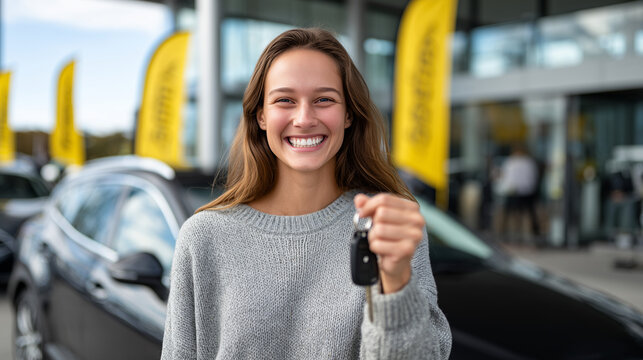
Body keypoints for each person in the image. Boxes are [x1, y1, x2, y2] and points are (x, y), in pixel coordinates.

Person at [161, 28, 451, 359]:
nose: (304, 118)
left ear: (348, 116)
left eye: (324, 100)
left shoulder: (387, 228)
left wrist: (395, 283)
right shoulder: (204, 238)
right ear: (261, 116)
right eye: (285, 100)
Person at [496, 144, 540, 242]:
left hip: (523, 192)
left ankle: (528, 233)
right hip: (519, 191)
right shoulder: (514, 162)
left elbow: (530, 178)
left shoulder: (522, 162)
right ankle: (507, 233)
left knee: (523, 213)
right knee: (511, 214)